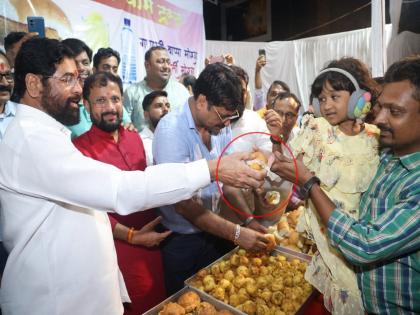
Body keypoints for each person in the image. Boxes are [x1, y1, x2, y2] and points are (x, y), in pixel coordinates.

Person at [0, 37, 265, 315]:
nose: (78, 89)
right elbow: (120, 189)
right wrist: (211, 169)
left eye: (78, 79)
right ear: (33, 84)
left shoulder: (46, 135)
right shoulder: (30, 143)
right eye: (67, 79)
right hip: (55, 302)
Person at [272, 56, 420, 315]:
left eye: (394, 111)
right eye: (381, 108)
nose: (380, 119)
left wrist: (310, 184)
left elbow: (364, 246)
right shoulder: (386, 154)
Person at [153, 63, 269, 295]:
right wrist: (236, 233)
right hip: (182, 240)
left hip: (215, 230)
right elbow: (185, 206)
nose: (227, 124)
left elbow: (226, 181)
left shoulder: (217, 126)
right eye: (223, 117)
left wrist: (247, 221)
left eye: (231, 118)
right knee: (186, 302)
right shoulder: (170, 132)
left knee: (220, 295)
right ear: (202, 101)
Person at [73, 72, 170, 314]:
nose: (110, 107)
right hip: (118, 249)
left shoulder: (134, 137)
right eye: (100, 101)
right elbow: (91, 209)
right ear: (86, 105)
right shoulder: (79, 150)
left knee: (161, 302)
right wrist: (131, 236)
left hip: (153, 242)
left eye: (115, 99)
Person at [62, 38, 131, 138]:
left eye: (85, 63)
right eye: (75, 63)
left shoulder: (113, 102)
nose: (81, 68)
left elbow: (128, 128)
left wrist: (129, 128)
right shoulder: (61, 105)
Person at [123, 46, 189, 131]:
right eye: (160, 62)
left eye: (168, 62)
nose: (166, 66)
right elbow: (125, 127)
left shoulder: (181, 91)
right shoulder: (132, 93)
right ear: (147, 65)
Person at [140, 90, 170, 166]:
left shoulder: (177, 138)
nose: (165, 109)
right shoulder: (140, 142)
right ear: (146, 114)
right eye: (159, 106)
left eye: (167, 105)